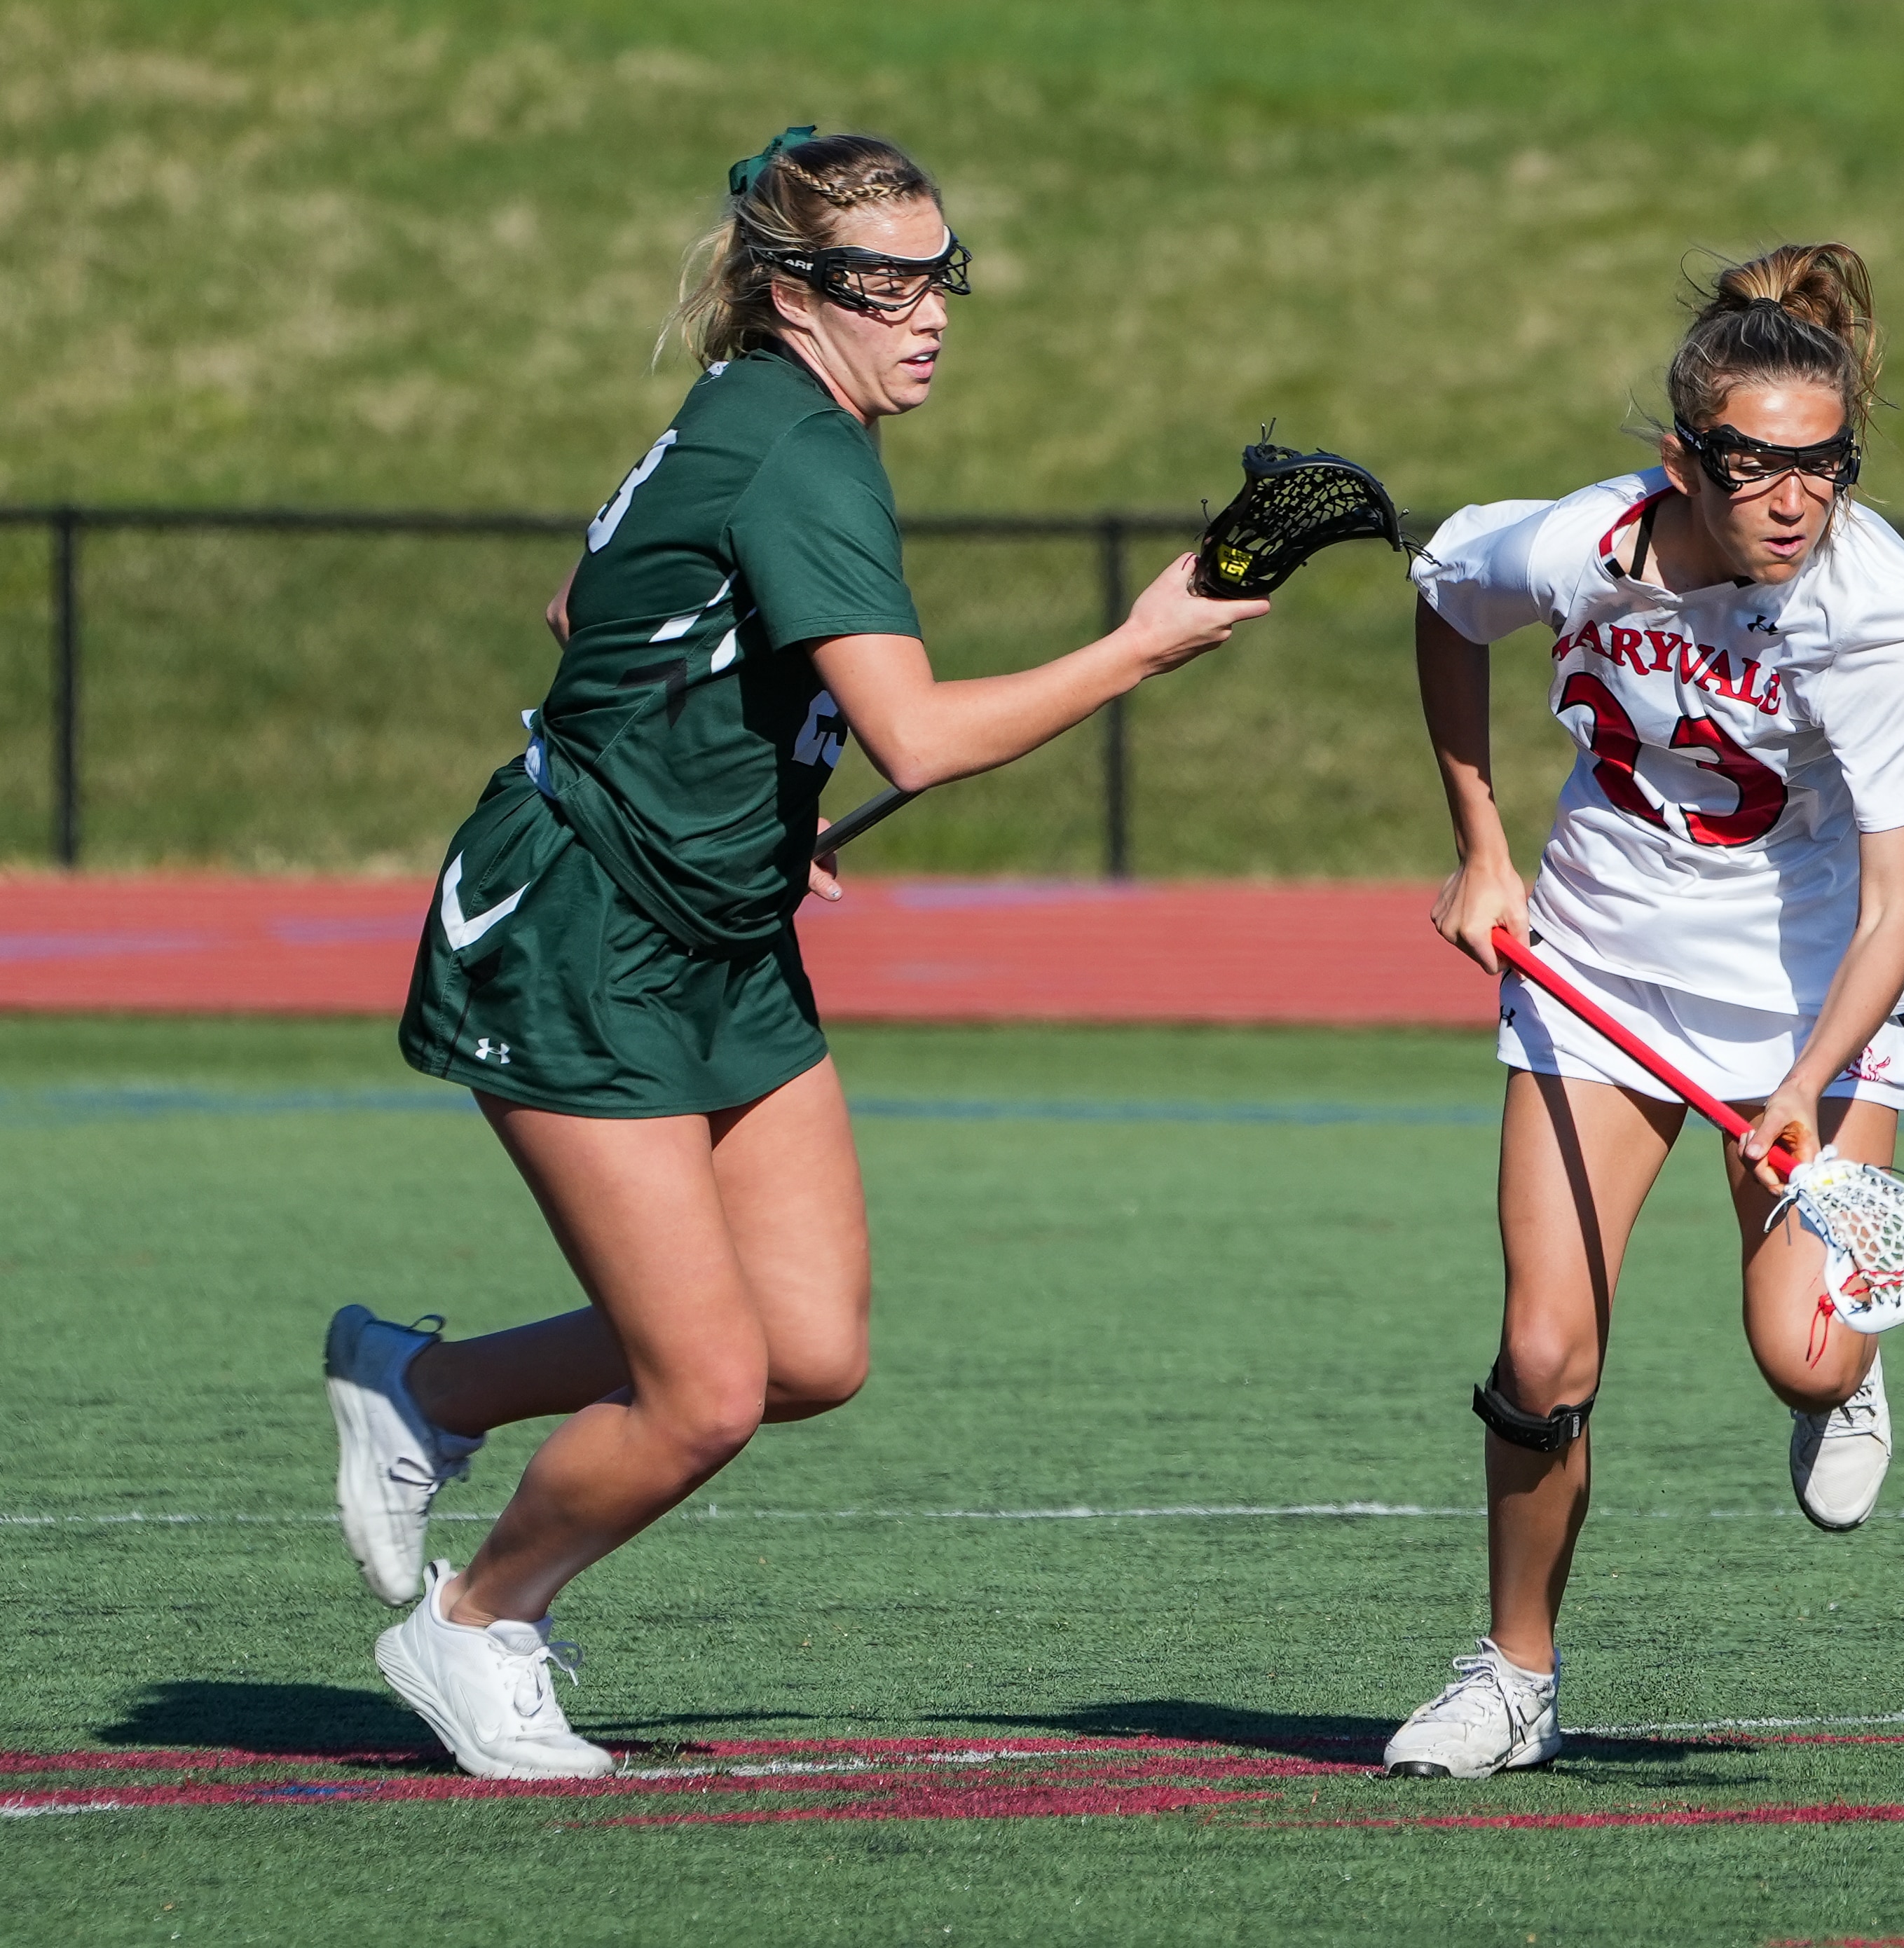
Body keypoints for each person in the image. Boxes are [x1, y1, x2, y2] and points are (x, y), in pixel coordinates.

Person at [322, 128, 1264, 1780]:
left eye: (937, 270)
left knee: (808, 1351)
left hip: (718, 926)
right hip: (583, 928)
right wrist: (1135, 645)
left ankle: (424, 1386)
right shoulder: (797, 448)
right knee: (702, 1394)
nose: (929, 310)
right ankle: (475, 1624)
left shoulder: (768, 416)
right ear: (787, 291)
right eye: (882, 281)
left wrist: (752, 787)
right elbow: (916, 736)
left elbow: (582, 606)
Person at [1388, 243, 1904, 1779]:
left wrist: (1806, 1084)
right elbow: (1445, 606)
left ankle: (1850, 1348)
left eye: (1822, 467)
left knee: (1801, 1354)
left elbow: (1899, 913)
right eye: (1755, 467)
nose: (1792, 500)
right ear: (1681, 461)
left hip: (1827, 977)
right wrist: (1483, 849)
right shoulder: (1584, 545)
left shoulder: (1890, 617)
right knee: (1547, 1352)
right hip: (1604, 967)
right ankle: (1514, 1671)